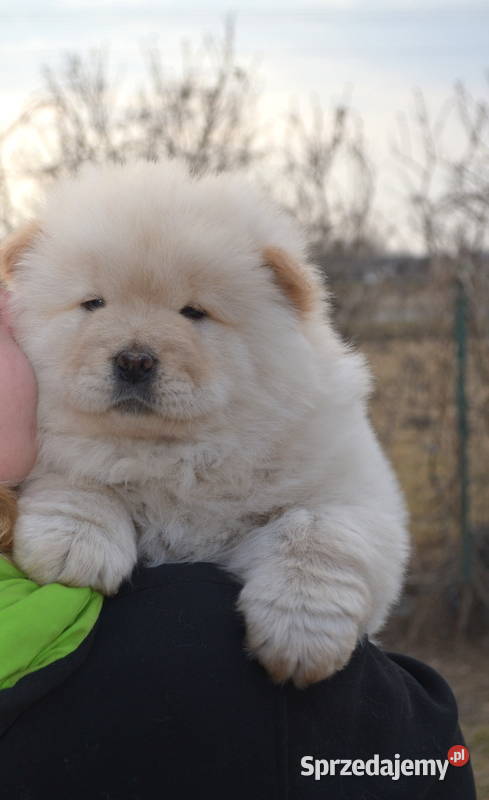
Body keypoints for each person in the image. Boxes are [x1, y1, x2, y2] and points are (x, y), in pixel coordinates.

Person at [0, 290, 476, 799]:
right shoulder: (194, 640)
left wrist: (317, 562)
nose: (134, 352)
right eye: (93, 304)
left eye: (193, 312)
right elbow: (425, 766)